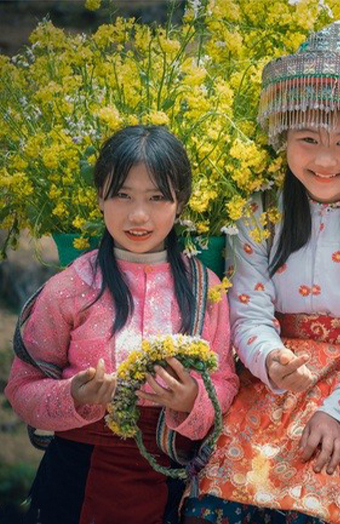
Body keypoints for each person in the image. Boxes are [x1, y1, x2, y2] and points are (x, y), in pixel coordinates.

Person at [184, 21, 340, 524]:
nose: (326, 160)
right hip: (272, 378)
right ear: (283, 135)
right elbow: (246, 309)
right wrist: (271, 360)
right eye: (308, 138)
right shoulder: (258, 212)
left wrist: (339, 411)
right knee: (224, 498)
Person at [5, 125, 239, 524]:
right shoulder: (71, 286)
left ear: (180, 202)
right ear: (100, 197)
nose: (138, 215)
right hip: (78, 476)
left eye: (157, 197)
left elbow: (226, 382)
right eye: (122, 195)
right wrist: (73, 397)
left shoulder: (206, 290)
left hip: (170, 478)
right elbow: (23, 386)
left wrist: (190, 401)